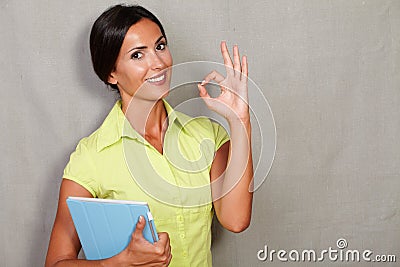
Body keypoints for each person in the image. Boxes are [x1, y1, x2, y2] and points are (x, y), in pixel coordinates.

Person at [45, 4, 253, 267]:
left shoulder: (208, 136)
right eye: (137, 55)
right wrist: (120, 262)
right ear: (111, 73)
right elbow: (56, 263)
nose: (158, 63)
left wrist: (240, 120)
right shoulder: (91, 157)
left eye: (160, 46)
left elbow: (236, 220)